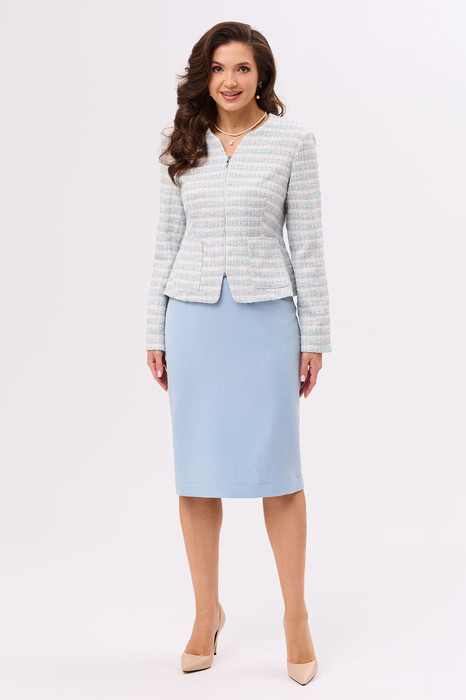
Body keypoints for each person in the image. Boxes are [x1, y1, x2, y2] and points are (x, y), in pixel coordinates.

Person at [145, 21, 332, 686]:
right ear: (206, 75)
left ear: (261, 76)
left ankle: (295, 616)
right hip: (193, 320)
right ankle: (207, 613)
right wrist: (154, 329)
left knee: (279, 474)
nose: (230, 80)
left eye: (243, 69)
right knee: (197, 474)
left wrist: (314, 337)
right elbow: (166, 241)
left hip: (265, 322)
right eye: (219, 68)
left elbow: (307, 244)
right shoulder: (184, 142)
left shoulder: (292, 142)